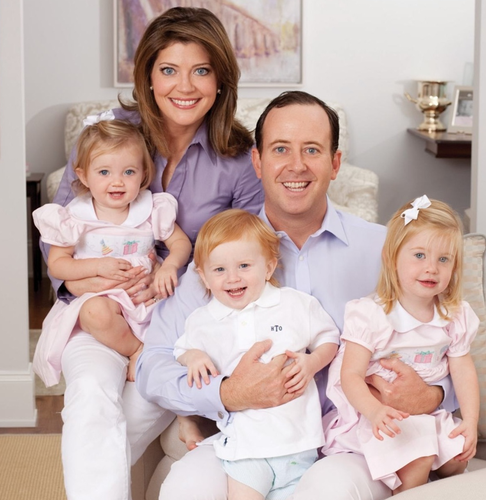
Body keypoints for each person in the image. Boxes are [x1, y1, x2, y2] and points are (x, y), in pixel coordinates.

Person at [137, 90, 456, 499]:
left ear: (335, 163)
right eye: (280, 149)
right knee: (186, 489)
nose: (296, 165)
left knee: (327, 491)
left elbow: (445, 340)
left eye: (312, 150)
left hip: (350, 443)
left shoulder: (387, 253)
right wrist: (228, 393)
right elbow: (154, 364)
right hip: (249, 437)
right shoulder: (222, 255)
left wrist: (432, 394)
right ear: (257, 161)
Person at [40, 7, 263, 500]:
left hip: (183, 327)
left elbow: (249, 249)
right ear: (147, 75)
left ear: (221, 79)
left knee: (136, 411)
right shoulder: (110, 134)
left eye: (201, 70)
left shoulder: (240, 158)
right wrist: (84, 280)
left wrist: (171, 279)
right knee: (90, 398)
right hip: (98, 311)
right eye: (168, 70)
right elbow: (62, 227)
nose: (184, 86)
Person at [174, 209, 339, 499]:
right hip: (244, 449)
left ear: (269, 267)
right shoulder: (202, 320)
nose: (232, 278)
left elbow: (329, 338)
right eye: (219, 269)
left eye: (244, 265)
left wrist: (312, 363)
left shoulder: (294, 304)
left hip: (298, 445)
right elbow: (181, 350)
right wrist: (193, 356)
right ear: (203, 275)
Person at [322, 195, 479, 494]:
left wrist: (470, 422)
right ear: (391, 258)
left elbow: (463, 370)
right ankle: (405, 490)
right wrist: (374, 411)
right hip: (377, 414)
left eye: (443, 259)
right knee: (420, 457)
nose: (431, 268)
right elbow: (350, 374)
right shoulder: (373, 314)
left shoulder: (454, 316)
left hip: (425, 413)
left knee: (458, 455)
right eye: (419, 255)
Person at [33, 118, 192, 383]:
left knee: (184, 323)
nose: (117, 182)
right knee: (94, 313)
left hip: (146, 298)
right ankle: (134, 349)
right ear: (83, 175)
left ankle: (161, 357)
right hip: (104, 299)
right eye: (104, 172)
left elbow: (181, 243)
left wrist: (170, 266)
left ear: (143, 173)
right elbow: (58, 264)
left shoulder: (151, 209)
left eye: (129, 172)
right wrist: (96, 266)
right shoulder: (76, 215)